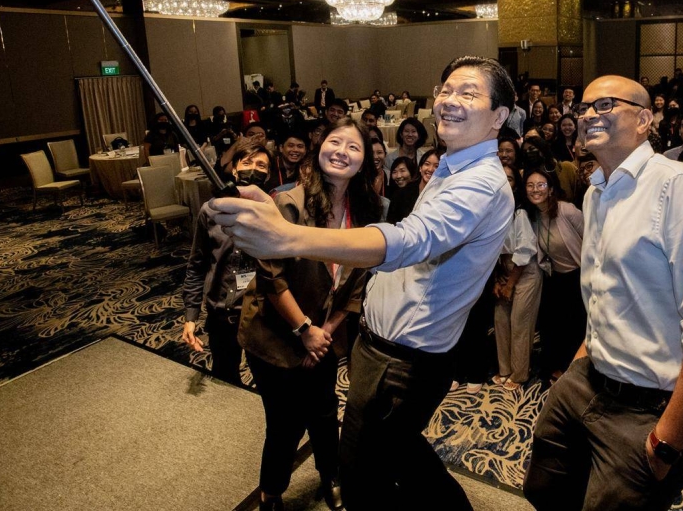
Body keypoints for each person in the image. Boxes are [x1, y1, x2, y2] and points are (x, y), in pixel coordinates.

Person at [213, 55, 514, 510]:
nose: (449, 100)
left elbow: (413, 239)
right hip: (383, 350)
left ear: (500, 116)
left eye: (467, 93)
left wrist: (286, 236)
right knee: (399, 459)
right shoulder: (454, 168)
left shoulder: (480, 182)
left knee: (363, 477)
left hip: (403, 361)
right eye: (445, 90)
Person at [523, 75, 683, 511]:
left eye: (605, 105)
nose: (588, 115)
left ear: (644, 119)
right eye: (584, 108)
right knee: (544, 489)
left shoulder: (680, 188)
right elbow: (607, 292)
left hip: (651, 404)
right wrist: (580, 363)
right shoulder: (597, 193)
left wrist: (667, 443)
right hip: (591, 379)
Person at [236, 117, 381, 511]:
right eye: (335, 142)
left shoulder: (364, 212)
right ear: (319, 149)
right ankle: (271, 493)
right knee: (283, 422)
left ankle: (330, 476)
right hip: (274, 331)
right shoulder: (288, 204)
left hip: (324, 334)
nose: (342, 152)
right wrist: (304, 330)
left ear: (364, 160)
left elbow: (357, 284)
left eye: (354, 147)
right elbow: (271, 278)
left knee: (322, 411)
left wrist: (325, 333)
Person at [181, 140, 272, 386]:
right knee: (225, 379)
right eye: (247, 163)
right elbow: (196, 265)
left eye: (262, 165)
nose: (254, 168)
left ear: (269, 174)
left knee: (269, 384)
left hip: (260, 315)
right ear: (233, 170)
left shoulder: (274, 214)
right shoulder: (210, 211)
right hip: (222, 312)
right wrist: (191, 315)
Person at [523, 167, 585, 383]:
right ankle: (555, 368)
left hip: (578, 275)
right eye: (530, 186)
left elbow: (591, 238)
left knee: (575, 325)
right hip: (555, 277)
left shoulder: (566, 211)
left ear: (550, 190)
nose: (535, 190)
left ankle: (573, 372)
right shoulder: (533, 217)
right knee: (552, 325)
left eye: (541, 185)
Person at [492, 165, 541, 391]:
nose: (505, 183)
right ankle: (504, 369)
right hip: (501, 268)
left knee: (520, 321)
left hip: (524, 270)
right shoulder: (489, 211)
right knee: (501, 318)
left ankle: (519, 373)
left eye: (510, 179)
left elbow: (525, 250)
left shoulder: (519, 211)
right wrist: (497, 280)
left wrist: (510, 283)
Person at [386, 150, 439, 224]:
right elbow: (391, 224)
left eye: (436, 166)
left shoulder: (443, 194)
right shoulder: (401, 194)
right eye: (427, 164)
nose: (430, 169)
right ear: (420, 168)